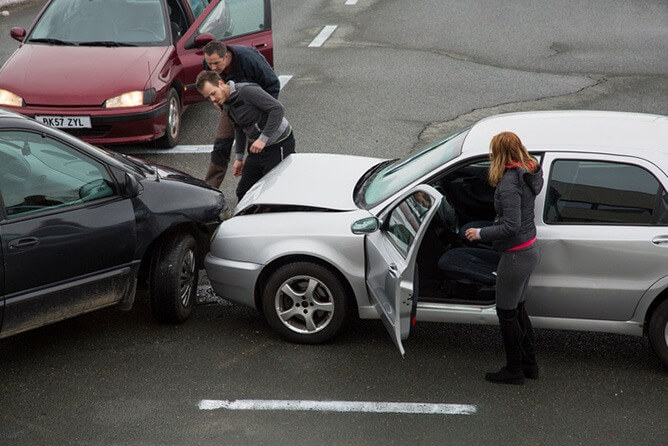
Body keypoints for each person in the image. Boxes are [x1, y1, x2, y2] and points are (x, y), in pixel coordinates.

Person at [464, 131, 544, 385]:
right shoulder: (528, 172)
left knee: (506, 313)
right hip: (529, 250)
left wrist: (480, 233)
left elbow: (511, 226)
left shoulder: (510, 183)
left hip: (516, 256)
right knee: (519, 311)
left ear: (498, 153)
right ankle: (530, 365)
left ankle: (514, 370)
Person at [195, 70, 295, 200]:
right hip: (257, 147)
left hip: (279, 143)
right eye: (208, 97)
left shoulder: (246, 91)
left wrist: (263, 139)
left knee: (272, 191)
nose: (213, 99)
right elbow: (239, 127)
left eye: (213, 93)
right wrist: (239, 158)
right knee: (243, 192)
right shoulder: (226, 104)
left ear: (220, 83)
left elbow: (277, 109)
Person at [201, 41, 280, 188]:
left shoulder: (249, 59)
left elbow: (273, 84)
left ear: (226, 56)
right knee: (220, 146)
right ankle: (210, 189)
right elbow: (209, 85)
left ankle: (263, 187)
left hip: (255, 106)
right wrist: (219, 103)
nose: (212, 68)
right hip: (230, 107)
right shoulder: (209, 63)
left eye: (216, 63)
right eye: (209, 63)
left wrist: (263, 114)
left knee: (257, 149)